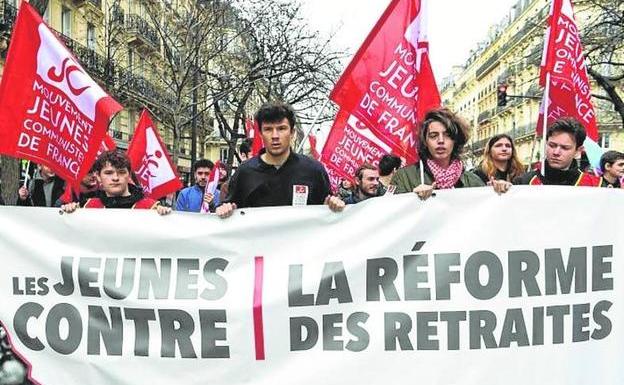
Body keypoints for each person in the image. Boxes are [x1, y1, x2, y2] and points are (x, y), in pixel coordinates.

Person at [216, 101, 343, 218]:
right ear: (260, 134)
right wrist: (224, 209)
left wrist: (334, 205)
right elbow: (228, 209)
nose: (275, 136)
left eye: (281, 128)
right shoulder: (245, 172)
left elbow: (327, 211)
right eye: (268, 129)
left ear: (292, 132)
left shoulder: (313, 170)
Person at [391, 108, 484, 200]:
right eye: (433, 136)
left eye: (447, 135)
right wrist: (412, 199)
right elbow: (392, 210)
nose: (440, 140)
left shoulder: (473, 181)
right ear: (425, 141)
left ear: (455, 141)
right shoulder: (404, 177)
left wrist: (497, 193)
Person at [61, 150, 171, 215]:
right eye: (108, 173)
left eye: (121, 172)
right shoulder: (87, 207)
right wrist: (70, 214)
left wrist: (164, 218)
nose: (115, 178)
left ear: (129, 176)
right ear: (98, 177)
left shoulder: (150, 208)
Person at [513, 118, 598, 187]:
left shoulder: (594, 186)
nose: (556, 152)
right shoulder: (524, 182)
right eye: (552, 145)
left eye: (565, 148)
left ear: (578, 151)